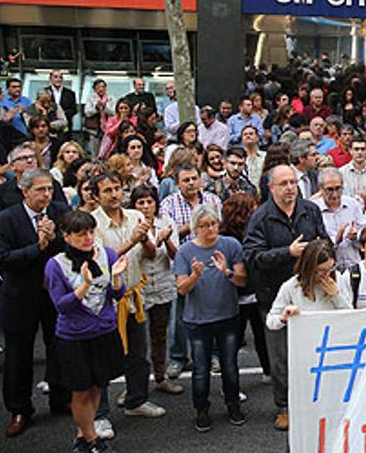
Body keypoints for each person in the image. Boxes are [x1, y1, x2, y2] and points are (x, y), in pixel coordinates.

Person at [243, 163, 329, 431]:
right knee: (280, 358)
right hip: (275, 298)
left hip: (311, 295)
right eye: (284, 183)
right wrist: (287, 252)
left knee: (315, 353)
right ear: (271, 188)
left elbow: (324, 241)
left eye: (293, 182)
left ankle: (316, 401)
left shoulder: (310, 210)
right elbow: (252, 257)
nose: (291, 188)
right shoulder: (260, 217)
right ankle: (283, 406)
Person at [0, 168, 72, 437]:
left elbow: (72, 246)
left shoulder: (60, 211)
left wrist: (53, 240)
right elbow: (1, 259)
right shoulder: (5, 220)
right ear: (25, 191)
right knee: (18, 357)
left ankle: (61, 399)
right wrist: (37, 246)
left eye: (49, 188)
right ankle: (19, 409)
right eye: (40, 190)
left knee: (59, 347)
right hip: (20, 295)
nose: (46, 194)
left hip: (54, 295)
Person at [44, 210, 129, 453]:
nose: (88, 238)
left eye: (91, 232)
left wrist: (115, 278)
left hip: (103, 332)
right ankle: (93, 440)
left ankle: (82, 436)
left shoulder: (107, 254)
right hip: (74, 336)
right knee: (80, 390)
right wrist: (83, 286)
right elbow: (61, 305)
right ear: (66, 236)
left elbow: (117, 294)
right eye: (80, 234)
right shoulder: (56, 264)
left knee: (96, 386)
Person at [91, 173, 167, 419]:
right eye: (107, 191)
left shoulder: (135, 216)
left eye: (117, 188)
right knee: (103, 358)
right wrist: (133, 240)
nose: (114, 194)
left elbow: (152, 254)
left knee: (138, 353)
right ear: (95, 196)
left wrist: (144, 239)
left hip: (135, 296)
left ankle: (136, 400)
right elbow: (100, 261)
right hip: (106, 302)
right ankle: (100, 414)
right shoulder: (92, 223)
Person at [174, 203, 248, 432]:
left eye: (213, 224)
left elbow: (242, 280)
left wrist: (226, 272)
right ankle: (201, 409)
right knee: (200, 368)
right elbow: (182, 289)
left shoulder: (230, 245)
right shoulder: (185, 252)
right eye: (204, 226)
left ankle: (233, 404)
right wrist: (195, 276)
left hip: (228, 315)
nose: (210, 229)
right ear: (195, 228)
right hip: (197, 320)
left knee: (229, 365)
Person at [129, 185, 183, 396]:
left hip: (162, 284)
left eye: (149, 201)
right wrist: (150, 240)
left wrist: (167, 238)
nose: (145, 206)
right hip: (138, 289)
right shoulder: (130, 224)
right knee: (137, 342)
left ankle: (160, 377)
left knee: (160, 335)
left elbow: (176, 256)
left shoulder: (167, 222)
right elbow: (140, 255)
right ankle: (132, 387)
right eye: (140, 202)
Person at [265, 238, 352, 330]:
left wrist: (336, 295)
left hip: (333, 336)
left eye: (331, 268)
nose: (327, 275)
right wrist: (284, 317)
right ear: (308, 268)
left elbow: (351, 316)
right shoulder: (291, 286)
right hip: (306, 339)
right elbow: (271, 322)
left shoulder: (338, 278)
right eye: (321, 271)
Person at [315, 168, 365, 272]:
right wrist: (335, 240)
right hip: (328, 271)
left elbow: (365, 233)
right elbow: (314, 244)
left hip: (353, 266)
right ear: (320, 188)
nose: (335, 194)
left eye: (338, 188)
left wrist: (356, 236)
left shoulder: (353, 204)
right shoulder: (314, 209)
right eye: (329, 190)